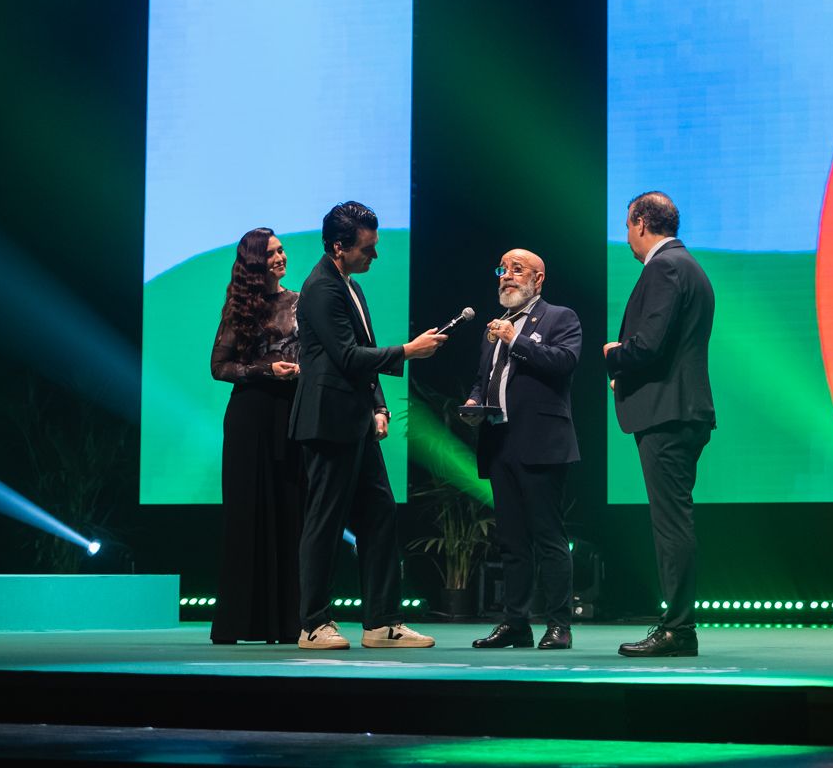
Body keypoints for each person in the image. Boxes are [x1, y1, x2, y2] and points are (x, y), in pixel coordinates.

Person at [291, 201, 446, 649]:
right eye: (366, 248)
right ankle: (313, 624)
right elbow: (345, 356)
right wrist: (409, 350)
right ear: (338, 247)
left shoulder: (350, 286)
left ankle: (382, 623)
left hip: (355, 419)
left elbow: (364, 354)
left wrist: (378, 406)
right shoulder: (321, 287)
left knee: (379, 516)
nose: (374, 255)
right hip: (326, 422)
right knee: (324, 522)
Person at [604, 191, 715, 657]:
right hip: (678, 410)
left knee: (671, 523)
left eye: (627, 226)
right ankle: (677, 625)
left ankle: (679, 629)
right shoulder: (687, 266)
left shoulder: (666, 267)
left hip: (670, 413)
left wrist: (615, 356)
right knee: (674, 519)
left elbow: (649, 345)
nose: (626, 236)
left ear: (642, 223)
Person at [463, 249, 582, 651]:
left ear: (539, 279)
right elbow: (485, 379)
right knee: (511, 540)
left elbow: (564, 362)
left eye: (517, 270)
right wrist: (476, 402)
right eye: (502, 269)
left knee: (548, 537)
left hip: (541, 443)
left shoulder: (560, 317)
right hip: (499, 442)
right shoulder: (493, 328)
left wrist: (518, 340)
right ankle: (516, 623)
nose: (506, 276)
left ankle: (559, 625)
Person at [209, 228, 302, 645]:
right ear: (254, 264)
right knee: (246, 515)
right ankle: (238, 622)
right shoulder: (239, 308)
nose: (280, 257)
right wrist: (265, 370)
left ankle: (286, 622)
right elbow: (219, 367)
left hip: (289, 414)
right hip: (249, 416)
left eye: (281, 250)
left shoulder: (298, 300)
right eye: (271, 254)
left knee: (290, 513)